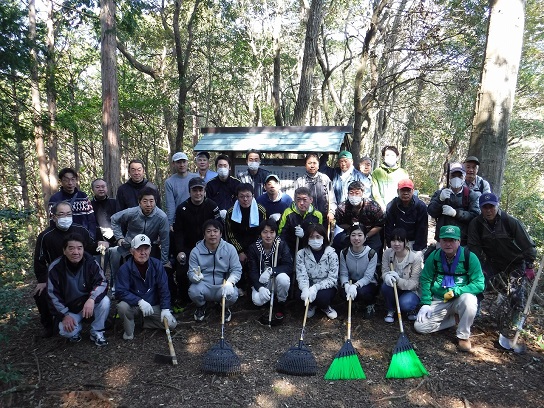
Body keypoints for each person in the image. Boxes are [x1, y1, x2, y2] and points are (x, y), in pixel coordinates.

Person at [414, 225, 484, 352]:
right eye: (444, 240)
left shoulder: (470, 257)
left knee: (469, 300)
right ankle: (453, 319)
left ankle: (463, 336)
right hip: (439, 299)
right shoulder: (434, 256)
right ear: (439, 241)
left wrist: (457, 291)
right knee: (420, 327)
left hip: (459, 299)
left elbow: (479, 284)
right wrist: (425, 302)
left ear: (459, 241)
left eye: (452, 240)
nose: (448, 244)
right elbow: (425, 278)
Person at [34, 202, 99, 337]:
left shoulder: (81, 230)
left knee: (95, 291)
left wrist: (102, 243)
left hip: (81, 274)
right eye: (61, 214)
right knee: (41, 293)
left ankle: (91, 318)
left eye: (69, 214)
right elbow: (39, 260)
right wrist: (42, 280)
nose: (65, 217)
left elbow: (91, 247)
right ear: (54, 216)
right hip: (57, 277)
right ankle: (49, 326)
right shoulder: (46, 236)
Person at [467, 193, 536, 319]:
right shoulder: (476, 224)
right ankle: (474, 309)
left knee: (516, 290)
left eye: (491, 207)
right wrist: (478, 266)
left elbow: (528, 245)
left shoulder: (510, 222)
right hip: (493, 261)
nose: (488, 211)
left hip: (515, 261)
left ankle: (515, 317)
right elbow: (474, 248)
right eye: (485, 207)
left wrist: (529, 265)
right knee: (478, 280)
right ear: (481, 208)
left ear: (497, 206)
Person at [47, 233, 110, 346]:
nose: (76, 252)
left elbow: (102, 282)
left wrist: (92, 299)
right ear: (64, 250)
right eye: (71, 248)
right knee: (65, 331)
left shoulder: (90, 262)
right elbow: (52, 295)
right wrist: (64, 315)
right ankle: (77, 328)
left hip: (88, 303)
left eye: (79, 248)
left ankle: (97, 331)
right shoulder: (56, 268)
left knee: (105, 301)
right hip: (70, 309)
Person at [115, 234, 177, 340]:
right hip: (134, 306)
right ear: (131, 251)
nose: (143, 253)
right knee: (122, 307)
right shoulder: (125, 269)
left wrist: (165, 308)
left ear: (150, 249)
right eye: (139, 249)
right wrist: (139, 301)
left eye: (146, 248)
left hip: (153, 306)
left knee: (171, 324)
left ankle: (143, 322)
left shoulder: (157, 265)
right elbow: (120, 292)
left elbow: (164, 289)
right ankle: (129, 331)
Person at [172, 177, 221, 308]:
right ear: (189, 192)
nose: (198, 193)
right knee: (182, 270)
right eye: (195, 190)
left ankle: (216, 297)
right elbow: (178, 232)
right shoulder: (182, 208)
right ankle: (184, 298)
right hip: (188, 247)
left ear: (204, 191)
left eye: (200, 190)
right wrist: (180, 250)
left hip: (209, 247)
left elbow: (219, 228)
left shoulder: (212, 206)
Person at [110, 187, 170, 291]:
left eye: (151, 201)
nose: (148, 204)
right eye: (145, 201)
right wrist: (119, 237)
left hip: (149, 246)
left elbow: (165, 241)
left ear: (155, 201)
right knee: (114, 254)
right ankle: (116, 284)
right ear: (139, 202)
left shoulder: (161, 217)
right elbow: (114, 219)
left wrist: (164, 261)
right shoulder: (132, 212)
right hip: (129, 245)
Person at [188, 219, 242, 322]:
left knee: (233, 294)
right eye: (208, 231)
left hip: (222, 285)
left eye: (215, 231)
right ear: (204, 234)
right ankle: (201, 305)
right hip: (204, 284)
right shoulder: (196, 251)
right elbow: (191, 272)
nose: (212, 234)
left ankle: (224, 306)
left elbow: (236, 270)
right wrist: (194, 277)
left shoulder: (230, 249)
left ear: (221, 234)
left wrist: (230, 282)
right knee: (193, 291)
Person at [247, 219, 293, 325]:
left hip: (276, 280)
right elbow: (252, 271)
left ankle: (281, 304)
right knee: (258, 300)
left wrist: (271, 270)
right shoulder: (253, 248)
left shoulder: (281, 245)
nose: (268, 236)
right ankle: (267, 304)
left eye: (272, 232)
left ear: (276, 233)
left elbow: (288, 266)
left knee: (284, 279)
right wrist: (260, 287)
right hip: (261, 281)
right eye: (265, 232)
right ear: (260, 234)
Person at [427, 162, 480, 246]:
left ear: (464, 177)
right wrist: (440, 199)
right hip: (442, 239)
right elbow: (431, 211)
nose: (456, 178)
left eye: (459, 176)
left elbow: (475, 215)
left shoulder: (471, 195)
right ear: (449, 177)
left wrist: (456, 213)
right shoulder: (440, 193)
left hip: (462, 240)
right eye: (453, 175)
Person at [296, 223, 338, 319]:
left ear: (323, 237)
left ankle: (325, 307)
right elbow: (301, 275)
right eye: (311, 237)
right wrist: (305, 288)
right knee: (299, 295)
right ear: (307, 238)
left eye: (318, 237)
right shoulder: (301, 254)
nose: (315, 240)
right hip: (309, 283)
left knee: (322, 298)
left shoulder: (331, 254)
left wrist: (316, 287)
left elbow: (332, 278)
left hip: (326, 286)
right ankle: (311, 305)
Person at [380, 228, 422, 323]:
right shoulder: (387, 253)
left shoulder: (415, 258)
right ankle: (391, 309)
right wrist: (386, 276)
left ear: (406, 242)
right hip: (394, 288)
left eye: (400, 240)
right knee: (385, 286)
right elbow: (384, 271)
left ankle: (410, 310)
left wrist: (398, 280)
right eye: (393, 240)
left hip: (410, 291)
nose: (396, 244)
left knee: (405, 304)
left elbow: (414, 283)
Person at [334, 181, 385, 256]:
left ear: (363, 194)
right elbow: (339, 222)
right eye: (351, 193)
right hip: (351, 232)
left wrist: (366, 236)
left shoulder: (373, 206)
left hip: (370, 233)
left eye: (357, 193)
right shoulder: (342, 208)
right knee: (338, 240)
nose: (354, 196)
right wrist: (352, 229)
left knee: (375, 248)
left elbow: (380, 225)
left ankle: (376, 264)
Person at [339, 224, 379, 319]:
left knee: (362, 292)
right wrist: (346, 285)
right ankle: (353, 303)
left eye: (360, 235)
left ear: (365, 238)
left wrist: (355, 286)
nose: (356, 238)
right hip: (351, 281)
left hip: (368, 283)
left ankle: (370, 304)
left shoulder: (372, 253)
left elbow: (368, 276)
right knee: (343, 293)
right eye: (353, 235)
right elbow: (343, 273)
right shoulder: (344, 252)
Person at [48, 167, 97, 239]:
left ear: (76, 180)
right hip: (65, 239)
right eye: (66, 180)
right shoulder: (55, 199)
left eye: (73, 179)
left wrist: (91, 237)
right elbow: (52, 221)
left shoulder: (83, 196)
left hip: (83, 238)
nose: (70, 183)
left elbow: (91, 219)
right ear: (60, 181)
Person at [385, 179, 428, 253]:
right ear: (398, 191)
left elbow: (422, 229)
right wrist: (390, 245)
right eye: (403, 190)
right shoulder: (392, 206)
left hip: (414, 241)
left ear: (413, 191)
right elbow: (389, 227)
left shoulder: (421, 206)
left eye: (408, 190)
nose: (405, 193)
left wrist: (418, 248)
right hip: (397, 241)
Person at [278, 186, 324, 256]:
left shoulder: (317, 215)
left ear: (311, 200)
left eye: (305, 200)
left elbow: (319, 235)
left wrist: (305, 235)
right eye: (298, 200)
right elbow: (281, 234)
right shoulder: (287, 212)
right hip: (290, 248)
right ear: (294, 200)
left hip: (309, 248)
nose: (301, 203)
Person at [294, 153, 335, 225]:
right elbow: (295, 201)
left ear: (319, 165)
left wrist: (331, 212)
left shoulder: (325, 179)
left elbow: (332, 198)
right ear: (305, 165)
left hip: (324, 219)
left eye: (314, 163)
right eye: (309, 163)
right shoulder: (300, 181)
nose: (312, 166)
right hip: (305, 218)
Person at [165, 152, 197, 227]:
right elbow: (170, 205)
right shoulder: (169, 182)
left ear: (187, 162)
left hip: (196, 215)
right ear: (173, 164)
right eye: (178, 162)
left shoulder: (196, 178)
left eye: (184, 162)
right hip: (180, 218)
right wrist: (170, 223)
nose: (182, 165)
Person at [371, 146, 409, 210]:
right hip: (380, 209)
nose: (390, 157)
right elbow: (375, 193)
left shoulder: (403, 173)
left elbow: (406, 192)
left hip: (399, 208)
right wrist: (382, 207)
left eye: (392, 155)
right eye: (387, 155)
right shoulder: (376, 172)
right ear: (383, 157)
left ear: (397, 157)